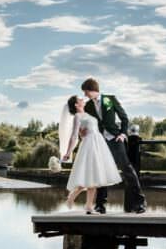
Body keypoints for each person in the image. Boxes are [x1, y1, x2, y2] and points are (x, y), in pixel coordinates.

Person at [80, 78, 146, 214]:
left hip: (115, 140)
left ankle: (139, 203)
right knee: (100, 172)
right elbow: (85, 122)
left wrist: (123, 134)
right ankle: (100, 205)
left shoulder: (110, 99)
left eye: (86, 92)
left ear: (93, 90)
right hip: (99, 142)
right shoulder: (88, 106)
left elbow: (124, 118)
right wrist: (83, 131)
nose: (85, 95)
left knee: (127, 169)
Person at [59, 95, 122, 214]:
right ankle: (72, 197)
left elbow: (88, 129)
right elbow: (74, 136)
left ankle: (88, 206)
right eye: (80, 100)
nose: (83, 100)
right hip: (89, 146)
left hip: (98, 144)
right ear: (76, 105)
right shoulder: (77, 116)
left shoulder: (87, 114)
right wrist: (68, 152)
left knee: (95, 178)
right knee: (89, 176)